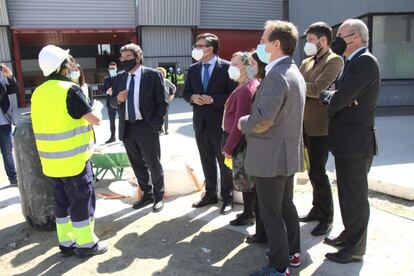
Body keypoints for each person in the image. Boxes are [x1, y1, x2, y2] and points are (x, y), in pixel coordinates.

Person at [238, 20, 305, 276]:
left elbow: (263, 119)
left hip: (271, 158)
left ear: (276, 44)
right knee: (285, 206)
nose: (260, 45)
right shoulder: (292, 70)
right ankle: (292, 252)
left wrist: (242, 122)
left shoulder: (276, 75)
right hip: (285, 155)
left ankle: (279, 267)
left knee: (271, 212)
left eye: (264, 40)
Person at [31, 45, 106, 258]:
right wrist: (97, 109)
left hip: (51, 162)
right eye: (69, 63)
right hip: (75, 161)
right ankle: (86, 244)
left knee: (61, 204)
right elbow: (95, 120)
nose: (71, 66)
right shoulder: (69, 89)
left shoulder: (38, 92)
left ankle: (66, 243)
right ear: (64, 67)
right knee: (81, 202)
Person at [320, 18, 380, 264]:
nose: (337, 39)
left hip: (356, 144)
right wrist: (335, 97)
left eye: (341, 35)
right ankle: (349, 235)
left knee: (355, 197)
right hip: (346, 143)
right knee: (346, 194)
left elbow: (336, 101)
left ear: (355, 37)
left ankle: (355, 249)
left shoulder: (365, 62)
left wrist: (334, 98)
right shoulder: (350, 62)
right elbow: (336, 97)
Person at [183, 33, 237, 214]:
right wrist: (192, 97)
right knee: (206, 160)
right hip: (200, 123)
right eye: (196, 45)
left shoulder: (227, 67)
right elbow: (185, 92)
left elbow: (233, 95)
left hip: (220, 123)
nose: (196, 49)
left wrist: (213, 99)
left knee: (224, 162)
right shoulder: (193, 69)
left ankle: (227, 197)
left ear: (210, 48)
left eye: (200, 46)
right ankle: (210, 194)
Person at [298, 22, 344, 236]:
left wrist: (295, 85)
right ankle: (317, 209)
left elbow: (317, 89)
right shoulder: (307, 61)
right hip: (305, 125)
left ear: (323, 40)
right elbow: (301, 84)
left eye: (310, 40)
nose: (307, 44)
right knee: (312, 171)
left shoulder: (334, 61)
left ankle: (327, 217)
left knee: (318, 171)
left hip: (321, 127)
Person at [110, 43, 168, 212]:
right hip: (127, 127)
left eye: (129, 57)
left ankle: (158, 196)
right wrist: (118, 99)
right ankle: (147, 194)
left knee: (153, 163)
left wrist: (156, 124)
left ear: (138, 57)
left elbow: (162, 102)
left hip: (147, 125)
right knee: (136, 164)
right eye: (123, 57)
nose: (125, 60)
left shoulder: (152, 75)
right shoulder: (120, 78)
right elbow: (112, 102)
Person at [222, 51, 259, 226]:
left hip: (241, 142)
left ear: (246, 67)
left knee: (246, 180)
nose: (231, 68)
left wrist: (229, 148)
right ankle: (248, 212)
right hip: (241, 140)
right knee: (247, 180)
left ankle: (249, 213)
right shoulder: (244, 85)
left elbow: (240, 122)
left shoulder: (246, 89)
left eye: (235, 64)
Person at [244, 51, 268, 244]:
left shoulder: (267, 85)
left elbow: (262, 119)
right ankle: (261, 232)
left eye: (252, 63)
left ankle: (265, 234)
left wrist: (243, 123)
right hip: (259, 146)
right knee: (261, 197)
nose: (249, 66)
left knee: (267, 200)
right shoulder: (261, 84)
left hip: (266, 148)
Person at [0, 63, 18, 186]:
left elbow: (13, 90)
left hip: (4, 122)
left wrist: (10, 76)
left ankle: (13, 177)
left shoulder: (1, 80)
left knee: (7, 153)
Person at [156, 67, 176, 135]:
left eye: (161, 73)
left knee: (165, 116)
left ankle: (166, 129)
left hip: (165, 100)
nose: (159, 74)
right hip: (156, 101)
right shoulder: (154, 81)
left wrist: (172, 95)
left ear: (164, 74)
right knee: (158, 115)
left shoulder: (166, 81)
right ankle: (160, 129)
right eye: (158, 73)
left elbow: (174, 87)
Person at [103, 62, 118, 143]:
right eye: (110, 68)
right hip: (110, 103)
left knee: (124, 120)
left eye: (113, 68)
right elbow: (103, 89)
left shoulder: (120, 77)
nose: (111, 70)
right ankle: (112, 137)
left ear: (116, 68)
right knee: (112, 121)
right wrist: (107, 92)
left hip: (119, 102)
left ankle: (124, 136)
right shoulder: (106, 79)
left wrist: (114, 92)